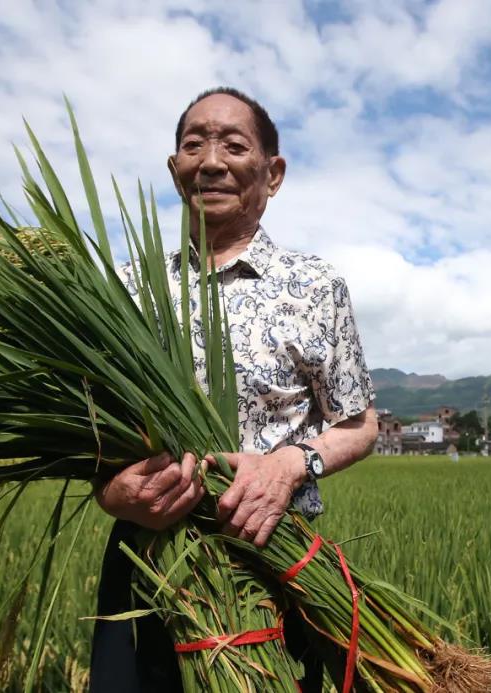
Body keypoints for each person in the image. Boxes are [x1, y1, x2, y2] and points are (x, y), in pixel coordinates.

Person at [89, 87, 378, 692]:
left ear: (272, 174)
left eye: (234, 145)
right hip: (150, 561)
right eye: (193, 144)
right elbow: (88, 428)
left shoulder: (315, 285)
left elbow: (358, 423)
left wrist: (289, 466)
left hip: (274, 558)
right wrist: (112, 490)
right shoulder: (127, 290)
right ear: (175, 170)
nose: (211, 161)